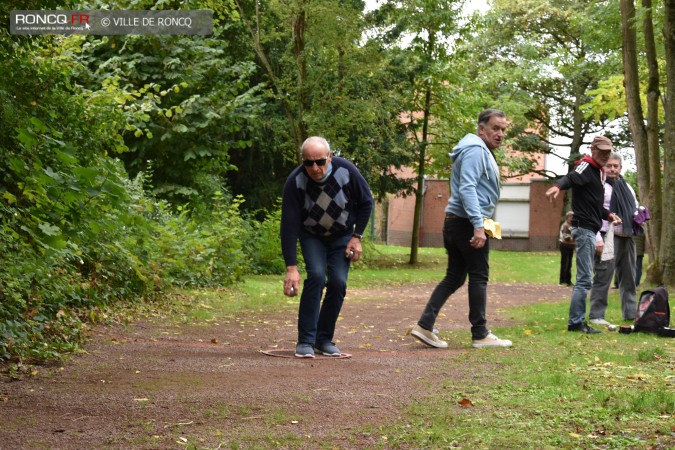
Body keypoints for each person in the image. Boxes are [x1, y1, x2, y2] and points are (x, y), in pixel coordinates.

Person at [411, 109, 512, 349]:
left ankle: (425, 325)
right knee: (479, 275)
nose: (500, 134)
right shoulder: (476, 151)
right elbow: (468, 188)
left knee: (455, 276)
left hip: (457, 221)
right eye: (495, 128)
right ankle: (480, 333)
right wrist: (478, 225)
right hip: (467, 222)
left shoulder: (476, 149)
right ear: (481, 129)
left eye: (503, 129)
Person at [281, 136, 373, 358]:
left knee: (338, 282)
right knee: (316, 276)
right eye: (309, 163)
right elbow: (289, 226)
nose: (315, 168)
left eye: (320, 161)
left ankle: (324, 339)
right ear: (302, 161)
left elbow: (366, 201)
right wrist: (291, 267)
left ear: (330, 157)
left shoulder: (346, 171)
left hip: (342, 235)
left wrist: (357, 236)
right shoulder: (295, 182)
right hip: (312, 235)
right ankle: (305, 341)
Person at [545, 136, 621, 334]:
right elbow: (571, 177)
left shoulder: (597, 173)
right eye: (601, 151)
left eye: (608, 152)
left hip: (590, 227)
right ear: (592, 149)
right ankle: (576, 323)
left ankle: (577, 321)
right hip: (585, 229)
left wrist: (608, 215)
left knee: (585, 278)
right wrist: (557, 186)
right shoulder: (586, 166)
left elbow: (595, 205)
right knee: (585, 279)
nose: (605, 155)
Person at [604, 153, 639, 320]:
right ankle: (597, 315)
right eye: (609, 165)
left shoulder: (628, 187)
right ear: (604, 167)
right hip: (609, 237)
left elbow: (635, 206)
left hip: (628, 236)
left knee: (629, 279)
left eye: (615, 166)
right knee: (604, 277)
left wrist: (640, 215)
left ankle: (631, 315)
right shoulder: (601, 186)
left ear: (620, 168)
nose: (612, 169)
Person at [559, 211, 575, 286]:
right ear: (568, 217)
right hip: (565, 246)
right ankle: (562, 280)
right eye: (571, 217)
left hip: (570, 247)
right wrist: (573, 237)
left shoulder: (573, 226)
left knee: (569, 264)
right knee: (565, 263)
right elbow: (565, 237)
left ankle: (568, 280)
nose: (572, 218)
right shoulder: (565, 225)